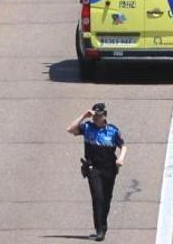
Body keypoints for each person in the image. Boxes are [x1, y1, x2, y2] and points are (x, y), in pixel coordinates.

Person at [67, 103, 127, 242]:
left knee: (106, 199)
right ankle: (99, 230)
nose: (95, 118)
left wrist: (121, 158)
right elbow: (70, 129)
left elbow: (123, 146)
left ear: (104, 116)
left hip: (110, 169)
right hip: (93, 168)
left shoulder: (113, 131)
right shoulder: (87, 128)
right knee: (97, 197)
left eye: (98, 116)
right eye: (94, 115)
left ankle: (103, 227)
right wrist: (83, 116)